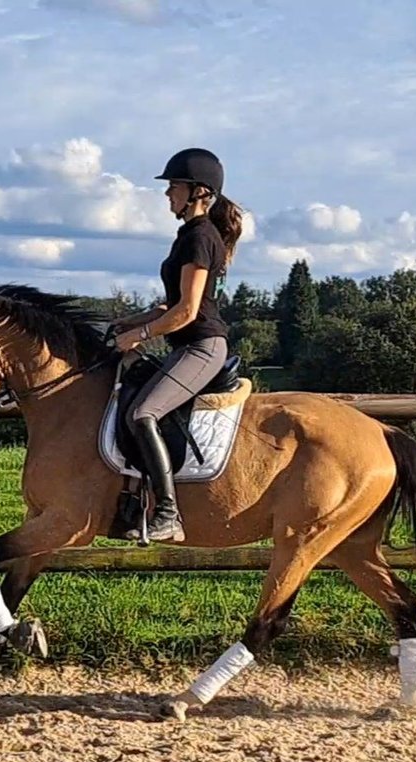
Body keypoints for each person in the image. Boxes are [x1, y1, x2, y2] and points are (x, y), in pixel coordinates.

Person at [111, 148, 245, 543]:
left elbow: (187, 312)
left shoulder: (200, 237)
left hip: (202, 347)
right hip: (186, 345)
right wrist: (132, 320)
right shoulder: (190, 236)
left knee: (143, 414)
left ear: (199, 192)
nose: (168, 194)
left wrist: (139, 336)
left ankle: (169, 515)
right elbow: (175, 304)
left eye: (174, 187)